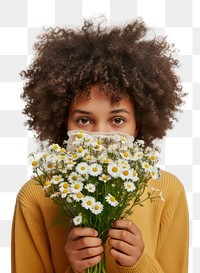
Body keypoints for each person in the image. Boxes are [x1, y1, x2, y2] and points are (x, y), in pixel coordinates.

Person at [11, 18, 189, 273]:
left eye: (117, 120)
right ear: (64, 122)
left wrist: (139, 264)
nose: (101, 134)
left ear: (138, 125)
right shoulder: (37, 195)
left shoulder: (168, 191)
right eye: (84, 120)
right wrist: (75, 269)